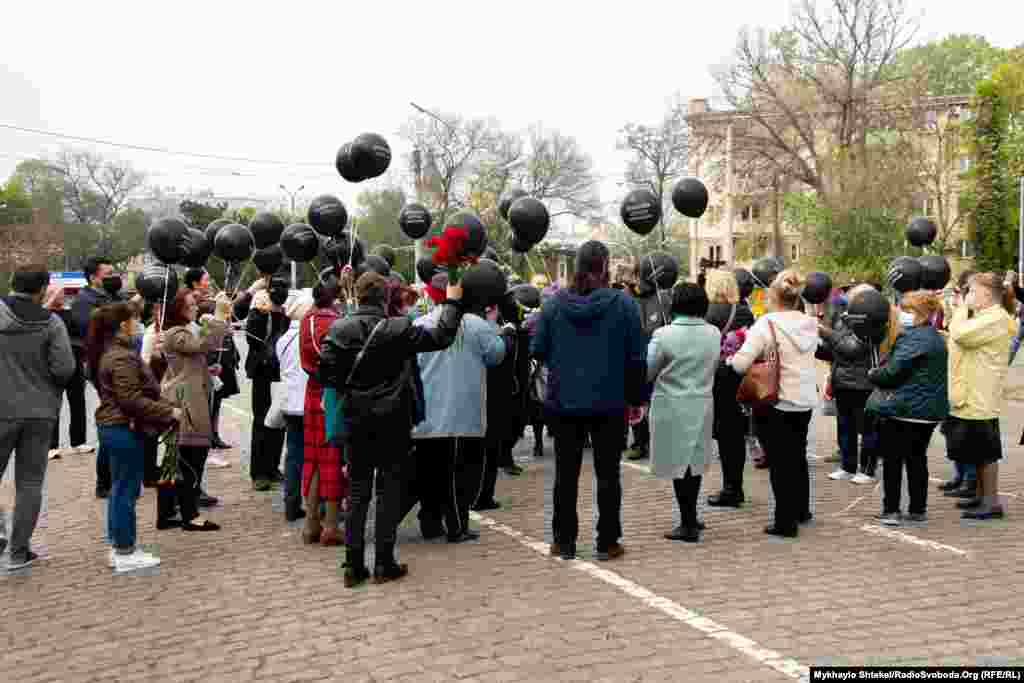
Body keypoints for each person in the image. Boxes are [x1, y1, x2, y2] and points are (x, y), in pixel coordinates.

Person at [319, 272, 465, 588]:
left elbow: (325, 374)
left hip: (357, 417)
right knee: (388, 490)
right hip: (393, 418)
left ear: (357, 297)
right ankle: (384, 562)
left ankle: (353, 565)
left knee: (357, 491)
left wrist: (353, 384)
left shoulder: (340, 328)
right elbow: (441, 336)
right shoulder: (399, 328)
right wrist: (453, 301)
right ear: (386, 298)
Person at [530, 241, 647, 561]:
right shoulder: (623, 304)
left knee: (565, 475)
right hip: (610, 402)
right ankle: (607, 541)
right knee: (608, 474)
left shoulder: (553, 305)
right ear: (605, 266)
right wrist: (637, 398)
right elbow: (637, 357)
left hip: (564, 402)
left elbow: (537, 349)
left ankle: (563, 541)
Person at [413, 280, 511, 542]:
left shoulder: (421, 322)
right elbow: (497, 355)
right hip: (461, 414)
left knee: (430, 473)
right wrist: (502, 333)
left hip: (425, 416)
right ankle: (457, 526)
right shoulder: (475, 324)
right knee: (460, 474)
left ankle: (430, 521)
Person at [88, 302, 181, 571]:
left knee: (120, 488)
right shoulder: (121, 356)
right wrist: (168, 412)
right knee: (126, 489)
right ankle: (125, 550)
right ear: (123, 325)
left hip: (115, 426)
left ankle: (119, 545)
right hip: (123, 427)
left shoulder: (113, 352)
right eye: (134, 320)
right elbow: (130, 398)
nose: (138, 324)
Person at [728, 270, 818, 538]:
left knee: (780, 463)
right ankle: (802, 510)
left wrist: (731, 360)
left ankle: (784, 521)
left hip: (776, 399)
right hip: (804, 398)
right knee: (797, 456)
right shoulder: (810, 323)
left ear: (773, 296)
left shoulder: (766, 324)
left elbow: (741, 363)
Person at [0, 267, 76, 570]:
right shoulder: (52, 323)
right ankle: (18, 553)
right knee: (29, 484)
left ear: (11, 283)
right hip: (39, 412)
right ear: (43, 289)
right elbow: (64, 368)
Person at [865, 291, 949, 526]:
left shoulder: (913, 338)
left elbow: (892, 373)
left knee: (893, 460)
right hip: (928, 411)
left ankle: (891, 510)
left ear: (918, 314)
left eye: (905, 310)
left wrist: (873, 374)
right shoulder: (935, 337)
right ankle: (918, 508)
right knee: (917, 459)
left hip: (905, 410)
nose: (900, 314)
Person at [647, 283, 720, 543]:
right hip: (702, 403)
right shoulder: (714, 333)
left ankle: (687, 523)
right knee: (694, 463)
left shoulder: (663, 335)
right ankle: (691, 517)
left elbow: (648, 370)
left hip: (671, 405)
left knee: (679, 466)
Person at [159, 288, 231, 531]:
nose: (195, 308)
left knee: (176, 460)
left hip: (187, 397)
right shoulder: (177, 333)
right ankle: (189, 515)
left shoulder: (180, 332)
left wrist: (205, 371)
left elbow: (194, 357)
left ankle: (168, 512)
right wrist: (219, 318)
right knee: (191, 458)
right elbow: (203, 344)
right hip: (186, 402)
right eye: (190, 305)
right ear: (178, 309)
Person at [946, 272, 1013, 520]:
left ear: (986, 294)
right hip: (972, 392)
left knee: (986, 452)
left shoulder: (994, 318)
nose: (968, 296)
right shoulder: (985, 317)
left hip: (981, 394)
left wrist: (962, 308)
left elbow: (961, 334)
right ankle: (981, 496)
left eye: (972, 292)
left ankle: (991, 502)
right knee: (975, 450)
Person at [817, 284, 893, 484]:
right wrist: (815, 345)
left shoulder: (873, 323)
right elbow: (835, 349)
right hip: (843, 381)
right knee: (845, 427)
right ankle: (847, 466)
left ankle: (867, 470)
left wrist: (824, 333)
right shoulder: (845, 319)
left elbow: (851, 348)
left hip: (863, 384)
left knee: (866, 429)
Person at [299, 273, 345, 545]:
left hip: (312, 390)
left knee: (313, 459)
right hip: (331, 393)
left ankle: (310, 524)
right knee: (332, 459)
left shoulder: (307, 319)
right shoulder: (333, 322)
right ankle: (330, 525)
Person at [703, 269, 755, 507]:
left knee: (724, 435)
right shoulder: (744, 311)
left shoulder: (710, 312)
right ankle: (735, 485)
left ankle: (731, 489)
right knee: (735, 435)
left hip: (717, 377)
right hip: (740, 376)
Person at [72, 257, 123, 497]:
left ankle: (123, 473)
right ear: (94, 277)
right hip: (103, 367)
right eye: (109, 273)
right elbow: (92, 328)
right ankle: (104, 481)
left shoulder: (112, 297)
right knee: (113, 418)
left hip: (121, 364)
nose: (114, 277)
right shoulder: (84, 301)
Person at [237, 273, 291, 491]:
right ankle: (259, 472)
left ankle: (272, 467)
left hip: (281, 372)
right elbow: (253, 338)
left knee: (279, 421)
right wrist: (259, 311)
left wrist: (280, 313)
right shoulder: (258, 312)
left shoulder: (286, 312)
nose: (279, 294)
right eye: (275, 290)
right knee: (261, 420)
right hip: (263, 372)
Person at [278, 294, 312, 523]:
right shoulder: (308, 335)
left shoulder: (283, 339)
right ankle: (317, 505)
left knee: (293, 456)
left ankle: (291, 504)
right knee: (317, 456)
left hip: (290, 404)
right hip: (309, 403)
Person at [40, 284, 81, 460]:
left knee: (78, 401)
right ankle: (51, 445)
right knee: (53, 405)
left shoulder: (69, 313)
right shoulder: (44, 313)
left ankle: (79, 441)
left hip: (74, 361)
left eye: (63, 294)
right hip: (51, 364)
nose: (62, 297)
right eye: (58, 294)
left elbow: (79, 333)